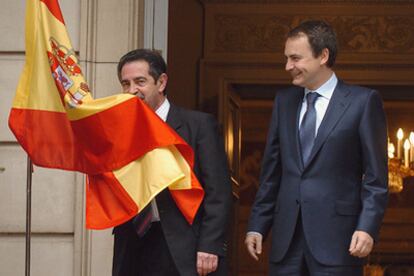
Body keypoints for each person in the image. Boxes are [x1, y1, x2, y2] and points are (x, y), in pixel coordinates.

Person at [245, 20, 388, 275]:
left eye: (295, 58)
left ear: (323, 55)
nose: (288, 66)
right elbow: (271, 172)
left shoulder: (363, 102)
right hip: (286, 243)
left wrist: (367, 227)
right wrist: (257, 225)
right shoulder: (284, 102)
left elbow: (376, 179)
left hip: (338, 242)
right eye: (287, 58)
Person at [112, 49, 232, 276]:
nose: (132, 91)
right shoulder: (120, 131)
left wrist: (210, 245)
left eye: (140, 82)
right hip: (133, 245)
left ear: (161, 82)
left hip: (184, 246)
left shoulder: (198, 126)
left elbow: (219, 191)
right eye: (125, 84)